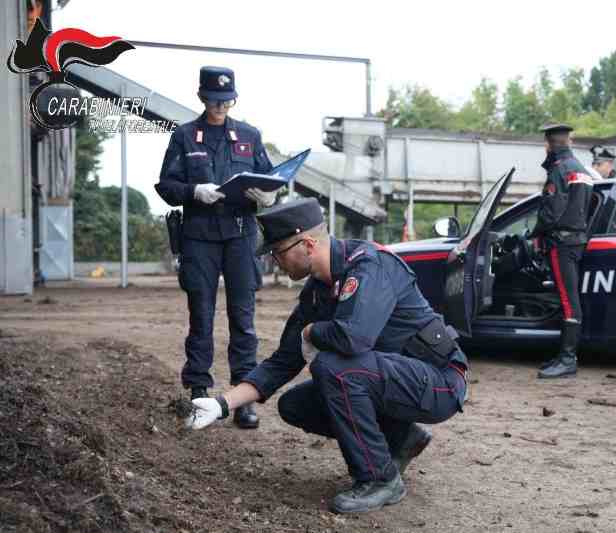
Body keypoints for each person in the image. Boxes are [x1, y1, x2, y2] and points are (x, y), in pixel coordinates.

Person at [185, 198, 469, 514]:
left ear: (307, 244)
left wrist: (311, 332)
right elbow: (283, 360)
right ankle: (401, 437)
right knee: (295, 405)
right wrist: (221, 404)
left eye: (278, 252)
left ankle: (380, 479)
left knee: (334, 367)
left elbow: (353, 338)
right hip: (397, 377)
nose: (275, 261)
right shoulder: (318, 290)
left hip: (440, 381)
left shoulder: (370, 265)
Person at [155, 66, 276, 429]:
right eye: (212, 100)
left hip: (240, 236)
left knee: (243, 318)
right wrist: (193, 191)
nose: (219, 107)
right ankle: (198, 392)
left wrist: (267, 197)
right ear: (201, 98)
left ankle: (244, 397)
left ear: (233, 99)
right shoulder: (185, 136)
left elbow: (271, 180)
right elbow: (166, 184)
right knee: (201, 317)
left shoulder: (250, 136)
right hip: (199, 237)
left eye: (225, 101)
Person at [531, 124, 593, 379]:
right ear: (569, 141)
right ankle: (563, 357)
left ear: (548, 144)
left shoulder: (559, 170)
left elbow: (551, 211)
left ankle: (568, 360)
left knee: (568, 301)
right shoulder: (581, 170)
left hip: (562, 242)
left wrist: (535, 232)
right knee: (571, 298)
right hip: (576, 241)